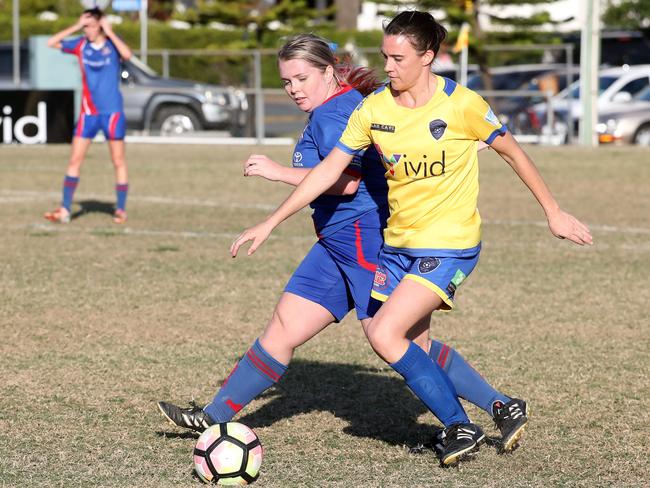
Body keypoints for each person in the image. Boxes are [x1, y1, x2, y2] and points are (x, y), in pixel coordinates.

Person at [229, 11, 592, 465]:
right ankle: (502, 406)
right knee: (412, 344)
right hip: (398, 247)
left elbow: (513, 152)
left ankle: (460, 427)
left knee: (384, 333)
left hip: (450, 245)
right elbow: (329, 172)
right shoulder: (374, 109)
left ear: (428, 56)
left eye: (398, 57)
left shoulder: (462, 104)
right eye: (385, 56)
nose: (389, 66)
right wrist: (271, 221)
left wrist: (553, 212)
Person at [158, 33, 528, 467]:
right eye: (286, 82)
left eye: (301, 78)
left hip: (364, 238)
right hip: (335, 243)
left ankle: (475, 417)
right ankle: (213, 416)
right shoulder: (337, 106)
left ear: (328, 71)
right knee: (284, 326)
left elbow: (346, 179)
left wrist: (278, 174)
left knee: (398, 338)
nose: (294, 88)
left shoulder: (334, 112)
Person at [44, 8, 132, 224]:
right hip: (88, 114)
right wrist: (76, 26)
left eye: (91, 25)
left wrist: (110, 32)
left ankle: (120, 209)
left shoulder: (112, 44)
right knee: (75, 160)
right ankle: (65, 209)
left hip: (112, 113)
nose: (88, 30)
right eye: (86, 26)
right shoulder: (81, 45)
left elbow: (128, 55)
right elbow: (51, 43)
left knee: (118, 160)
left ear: (101, 24)